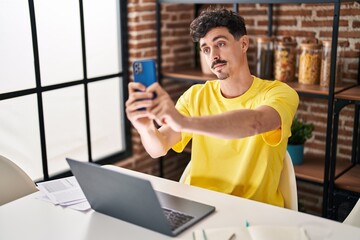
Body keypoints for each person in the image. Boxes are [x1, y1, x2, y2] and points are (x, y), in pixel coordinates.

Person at [125, 8, 299, 207]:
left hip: (253, 211)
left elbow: (255, 122)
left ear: (243, 43)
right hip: (200, 206)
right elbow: (159, 147)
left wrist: (184, 122)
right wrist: (144, 127)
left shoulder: (279, 93)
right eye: (206, 49)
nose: (213, 55)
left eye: (221, 44)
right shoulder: (196, 96)